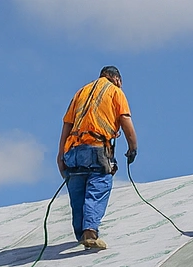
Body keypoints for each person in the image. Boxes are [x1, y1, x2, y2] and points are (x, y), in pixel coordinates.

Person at [58, 66, 137, 251]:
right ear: (116, 79)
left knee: (77, 193)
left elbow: (67, 124)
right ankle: (90, 232)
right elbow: (125, 119)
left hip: (74, 150)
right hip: (96, 148)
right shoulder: (115, 92)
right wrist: (133, 147)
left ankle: (82, 235)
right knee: (98, 187)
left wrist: (61, 153)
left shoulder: (81, 92)